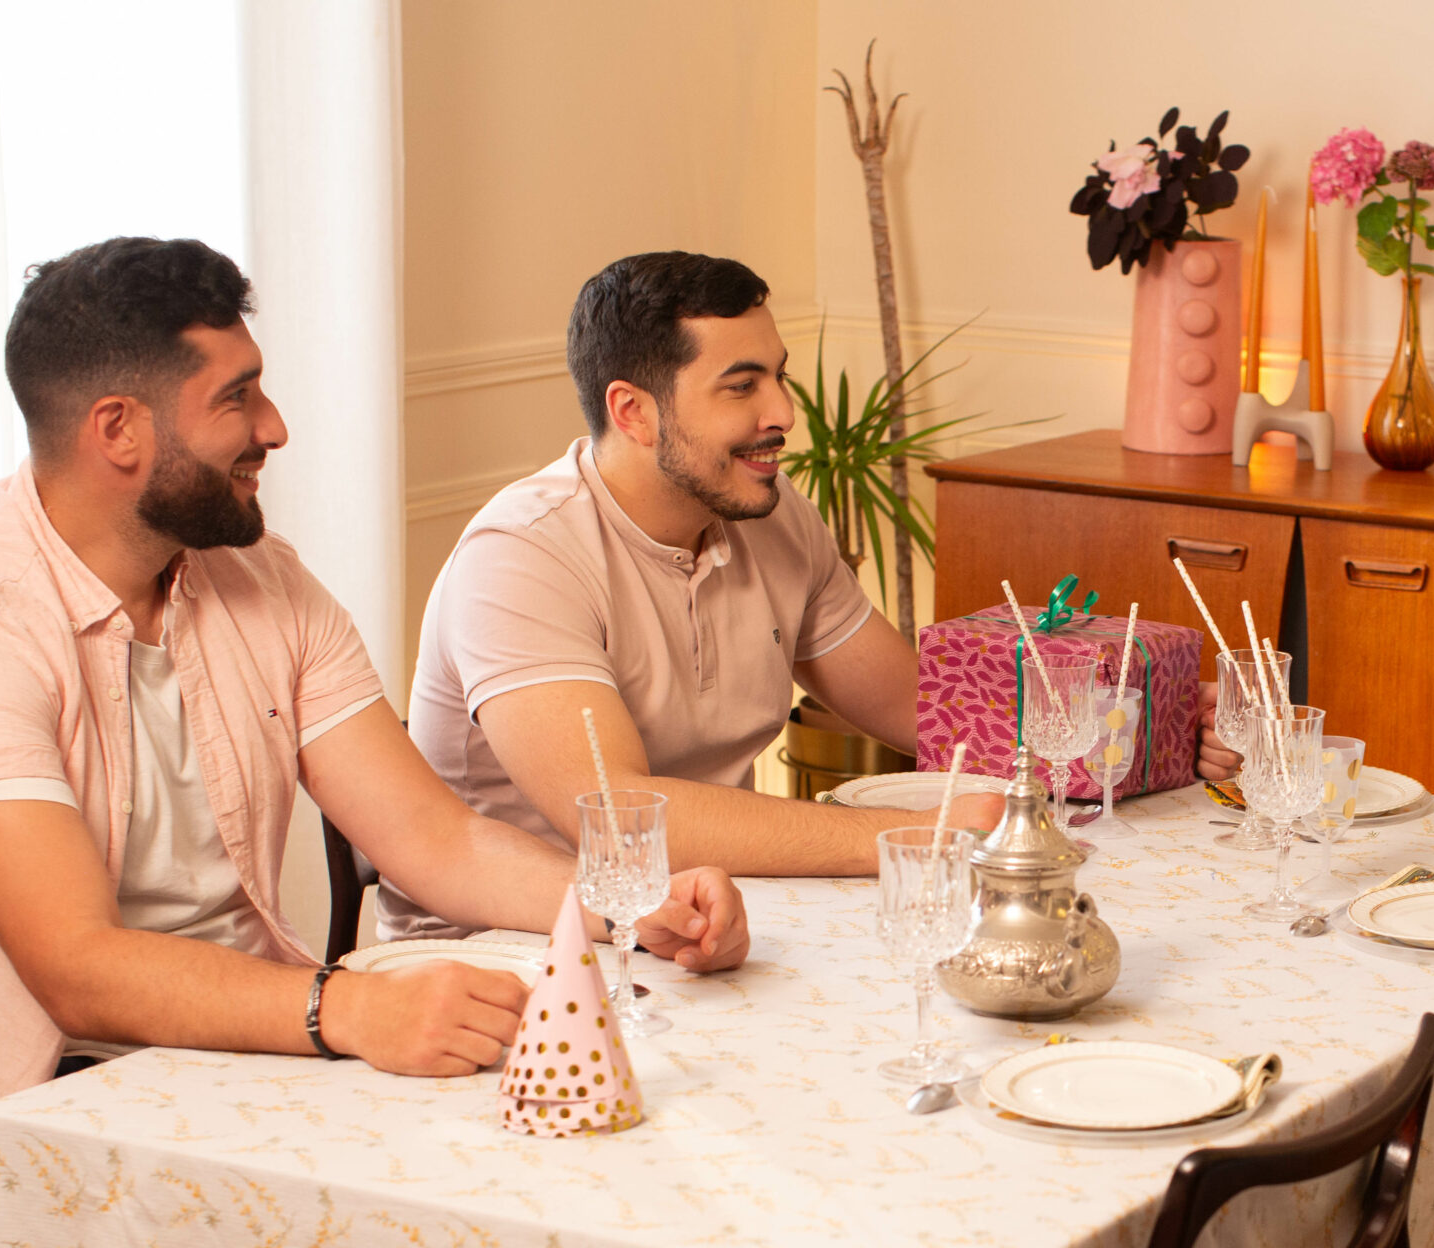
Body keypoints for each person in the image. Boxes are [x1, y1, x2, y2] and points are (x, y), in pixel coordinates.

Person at [0, 238, 749, 1225]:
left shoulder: (260, 579)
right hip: (32, 1120)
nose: (276, 428)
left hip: (236, 1064)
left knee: (614, 1170)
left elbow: (434, 841)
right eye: (238, 398)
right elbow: (77, 968)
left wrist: (629, 906)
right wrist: (343, 1009)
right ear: (117, 430)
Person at [386, 251, 1008, 934]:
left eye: (780, 377)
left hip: (710, 922)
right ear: (633, 412)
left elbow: (919, 710)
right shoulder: (520, 556)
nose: (783, 413)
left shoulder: (770, 514)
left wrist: (1084, 745)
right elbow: (622, 821)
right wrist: (921, 832)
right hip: (516, 954)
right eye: (742, 387)